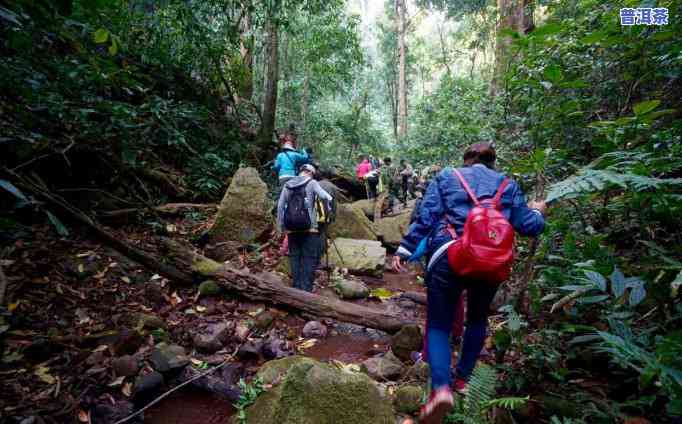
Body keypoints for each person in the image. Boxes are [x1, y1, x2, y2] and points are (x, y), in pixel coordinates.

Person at [392, 142, 547, 424]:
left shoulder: (448, 177)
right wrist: (539, 211)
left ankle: (441, 390)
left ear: (466, 160)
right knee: (476, 320)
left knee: (439, 324)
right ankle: (462, 380)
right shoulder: (508, 185)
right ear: (493, 162)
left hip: (448, 255)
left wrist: (405, 248)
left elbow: (426, 216)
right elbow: (529, 226)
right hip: (490, 261)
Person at [277, 164, 332, 292]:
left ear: (300, 171)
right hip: (310, 229)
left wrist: (281, 227)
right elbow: (325, 197)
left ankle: (296, 288)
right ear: (311, 173)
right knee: (309, 258)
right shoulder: (312, 183)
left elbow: (280, 206)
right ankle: (306, 289)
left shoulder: (288, 184)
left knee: (295, 257)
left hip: (291, 229)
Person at [313, 167, 338, 269]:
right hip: (326, 214)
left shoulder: (315, 184)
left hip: (313, 213)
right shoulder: (332, 187)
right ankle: (318, 259)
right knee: (322, 235)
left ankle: (309, 256)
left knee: (312, 234)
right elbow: (334, 204)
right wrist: (333, 216)